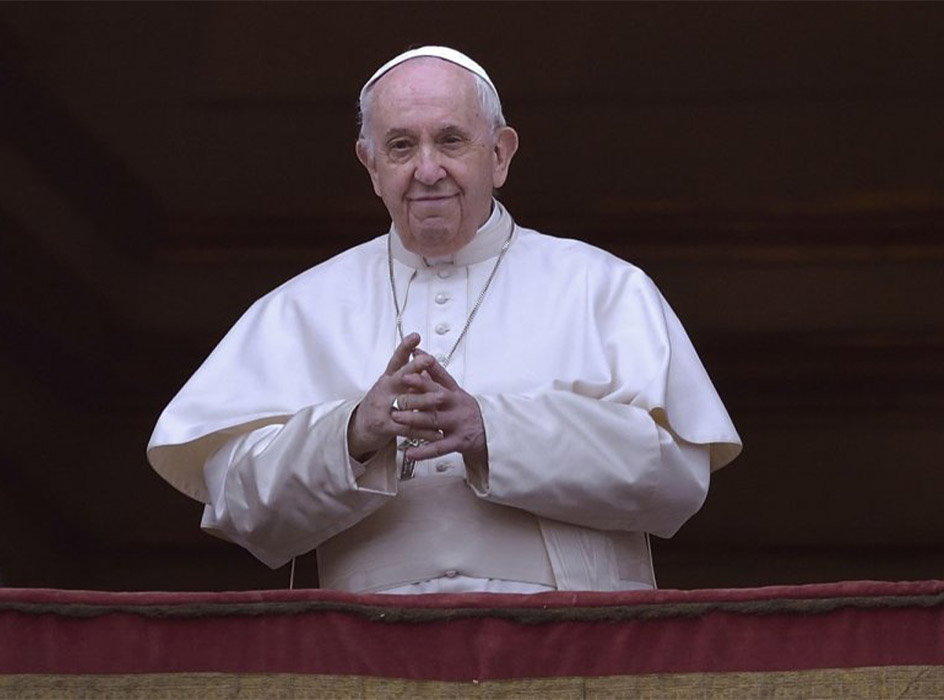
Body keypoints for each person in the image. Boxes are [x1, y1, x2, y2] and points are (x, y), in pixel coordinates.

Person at [147, 46, 741, 595]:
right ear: (370, 164)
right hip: (364, 655)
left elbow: (678, 482)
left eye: (451, 141)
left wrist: (495, 431)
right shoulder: (298, 309)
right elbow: (238, 507)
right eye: (401, 146)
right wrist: (352, 435)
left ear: (501, 154)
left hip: (568, 646)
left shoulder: (605, 288)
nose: (427, 170)